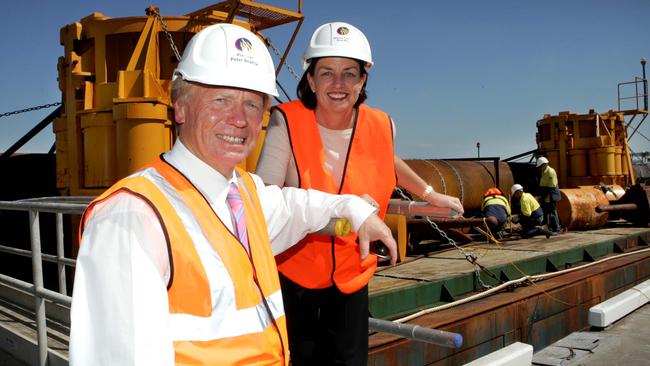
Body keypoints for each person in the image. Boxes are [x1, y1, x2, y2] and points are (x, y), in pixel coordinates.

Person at [68, 23, 398, 366]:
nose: (239, 119)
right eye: (220, 99)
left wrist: (357, 211)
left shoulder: (244, 194)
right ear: (179, 107)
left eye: (253, 104)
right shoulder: (133, 217)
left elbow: (300, 206)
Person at [255, 22, 463, 366]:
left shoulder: (381, 124)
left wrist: (429, 193)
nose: (339, 84)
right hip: (295, 279)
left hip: (352, 277)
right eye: (327, 73)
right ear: (310, 79)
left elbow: (388, 160)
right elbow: (262, 197)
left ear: (363, 80)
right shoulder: (286, 122)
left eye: (350, 73)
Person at [536, 156, 561, 235]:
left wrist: (548, 197)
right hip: (545, 193)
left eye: (540, 166)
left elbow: (551, 186)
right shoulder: (544, 171)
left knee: (552, 212)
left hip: (551, 193)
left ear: (544, 164)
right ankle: (546, 227)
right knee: (545, 211)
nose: (539, 168)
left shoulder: (550, 171)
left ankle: (557, 229)